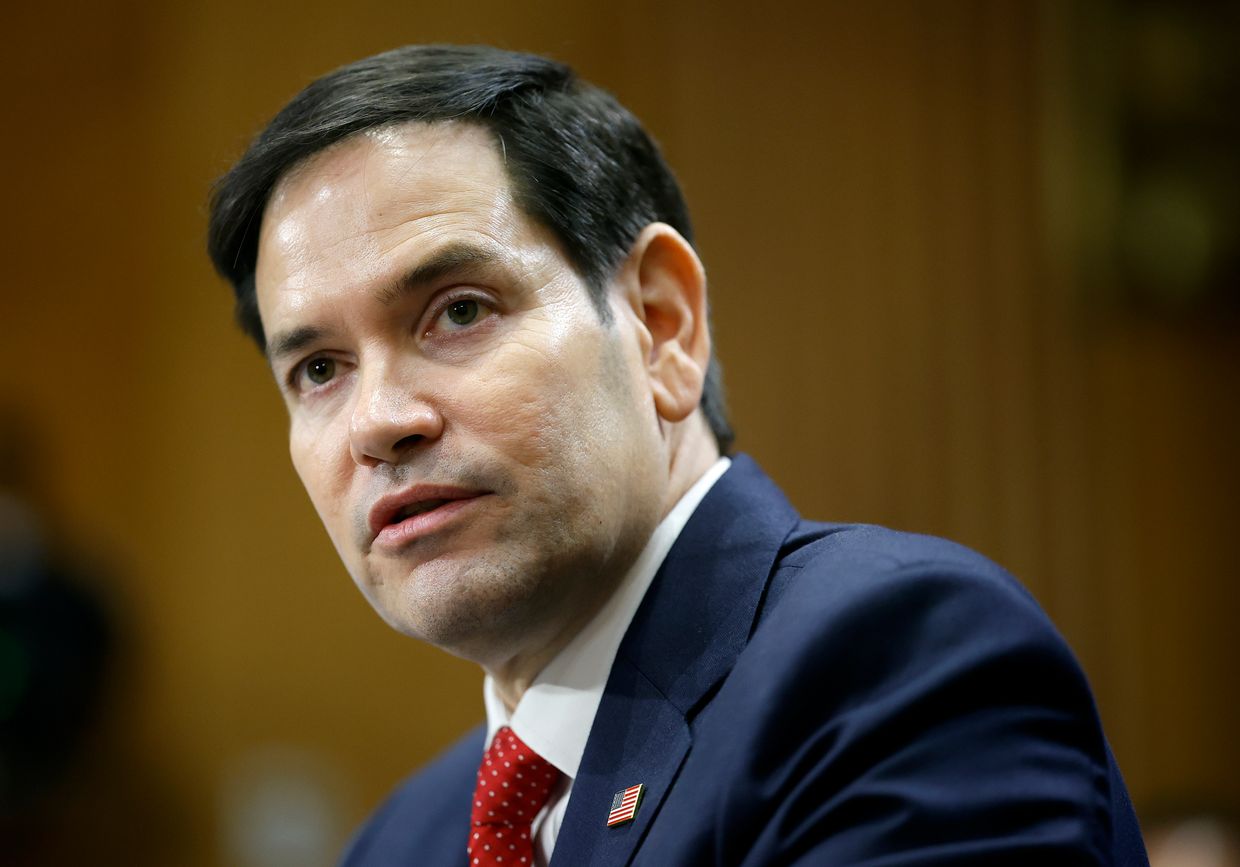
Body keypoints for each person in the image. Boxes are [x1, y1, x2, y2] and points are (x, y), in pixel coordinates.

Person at [207, 44, 1148, 865]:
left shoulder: (891, 669)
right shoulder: (403, 841)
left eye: (459, 311)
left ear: (661, 324)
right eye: (320, 368)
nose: (378, 419)